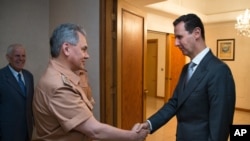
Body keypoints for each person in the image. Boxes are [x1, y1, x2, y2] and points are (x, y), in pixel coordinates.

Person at [32, 23, 149, 141]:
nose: (87, 56)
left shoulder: (64, 76)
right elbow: (94, 130)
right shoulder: (58, 86)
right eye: (83, 49)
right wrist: (133, 136)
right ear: (66, 49)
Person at [139, 13, 236, 141]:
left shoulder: (219, 71)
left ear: (196, 33)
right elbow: (174, 103)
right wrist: (149, 124)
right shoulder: (186, 69)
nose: (175, 43)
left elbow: (220, 128)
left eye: (179, 37)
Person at [0, 43, 34, 141]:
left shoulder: (29, 76)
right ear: (8, 57)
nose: (21, 59)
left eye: (23, 56)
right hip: (7, 134)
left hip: (27, 132)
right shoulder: (1, 77)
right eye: (17, 56)